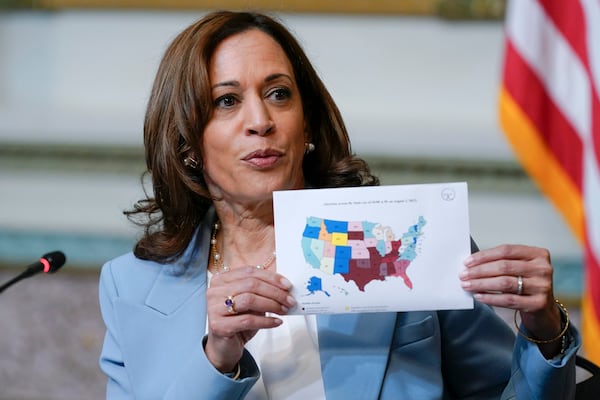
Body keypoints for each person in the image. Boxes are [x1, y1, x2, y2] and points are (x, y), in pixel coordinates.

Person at [98, 10, 581, 400]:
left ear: (306, 126)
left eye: (279, 94)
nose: (260, 121)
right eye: (226, 101)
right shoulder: (130, 287)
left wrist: (545, 330)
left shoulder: (407, 236)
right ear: (187, 144)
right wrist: (218, 355)